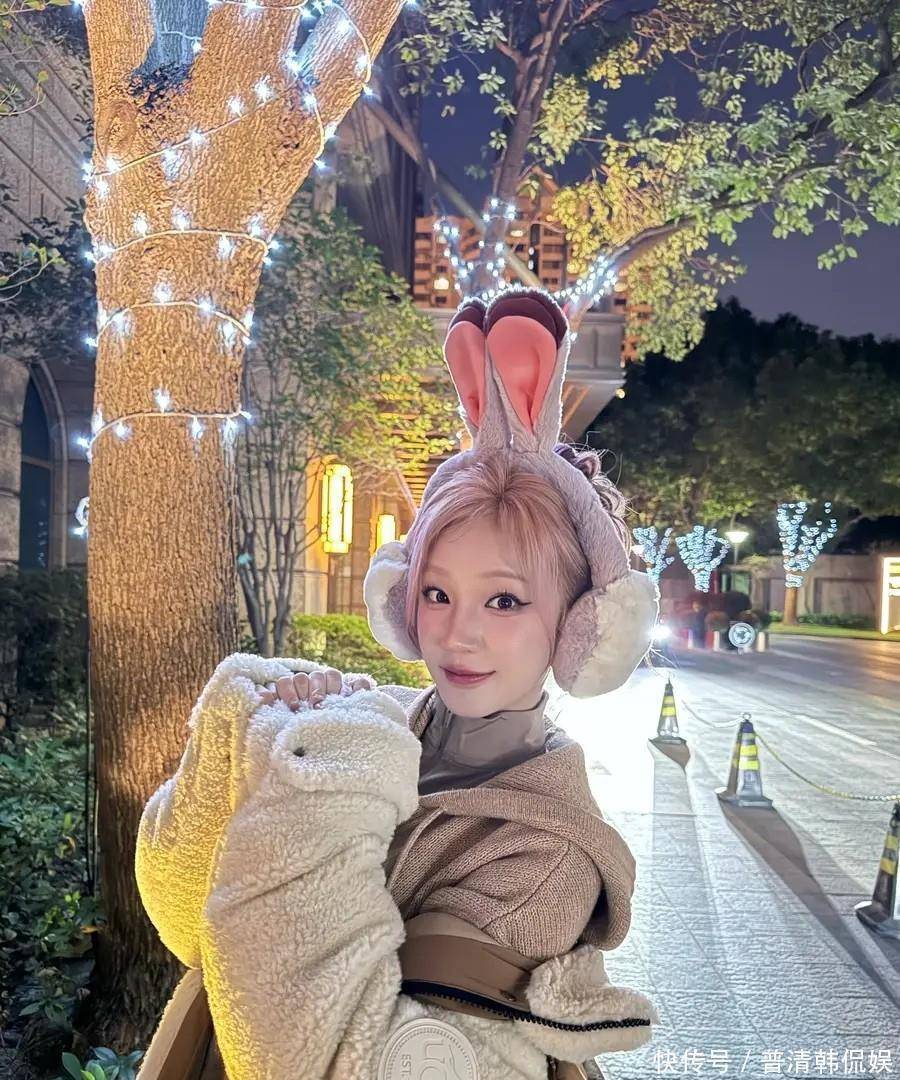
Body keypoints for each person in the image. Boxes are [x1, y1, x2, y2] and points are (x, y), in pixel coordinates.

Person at [134, 287, 660, 1080]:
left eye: (505, 600)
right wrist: (244, 725)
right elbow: (184, 919)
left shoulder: (544, 859)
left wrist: (324, 784)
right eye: (437, 592)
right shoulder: (375, 725)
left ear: (581, 627)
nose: (457, 632)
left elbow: (317, 1058)